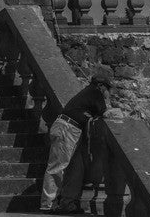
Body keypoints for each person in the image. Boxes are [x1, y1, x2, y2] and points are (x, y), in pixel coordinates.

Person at [40, 73, 112, 214]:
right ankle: (48, 204)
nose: (108, 92)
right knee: (57, 166)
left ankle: (67, 204)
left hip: (72, 129)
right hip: (67, 128)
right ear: (101, 86)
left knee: (75, 168)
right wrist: (108, 100)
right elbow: (106, 112)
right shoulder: (95, 92)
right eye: (107, 88)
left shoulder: (88, 93)